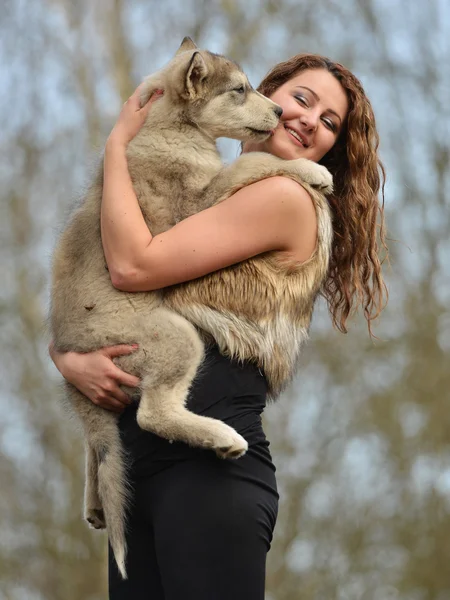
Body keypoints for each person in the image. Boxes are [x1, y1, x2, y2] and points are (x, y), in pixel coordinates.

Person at [49, 53, 387, 599]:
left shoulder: (287, 194)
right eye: (302, 99)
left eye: (330, 123)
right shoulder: (206, 186)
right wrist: (67, 358)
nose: (310, 120)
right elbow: (101, 295)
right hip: (139, 477)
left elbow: (134, 266)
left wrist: (116, 146)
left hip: (210, 474)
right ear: (266, 95)